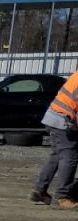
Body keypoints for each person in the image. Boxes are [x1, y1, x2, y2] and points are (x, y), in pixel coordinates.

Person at [31, 67, 78, 209]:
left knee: (56, 156)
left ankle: (39, 190)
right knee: (70, 157)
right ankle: (62, 196)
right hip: (62, 120)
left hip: (53, 117)